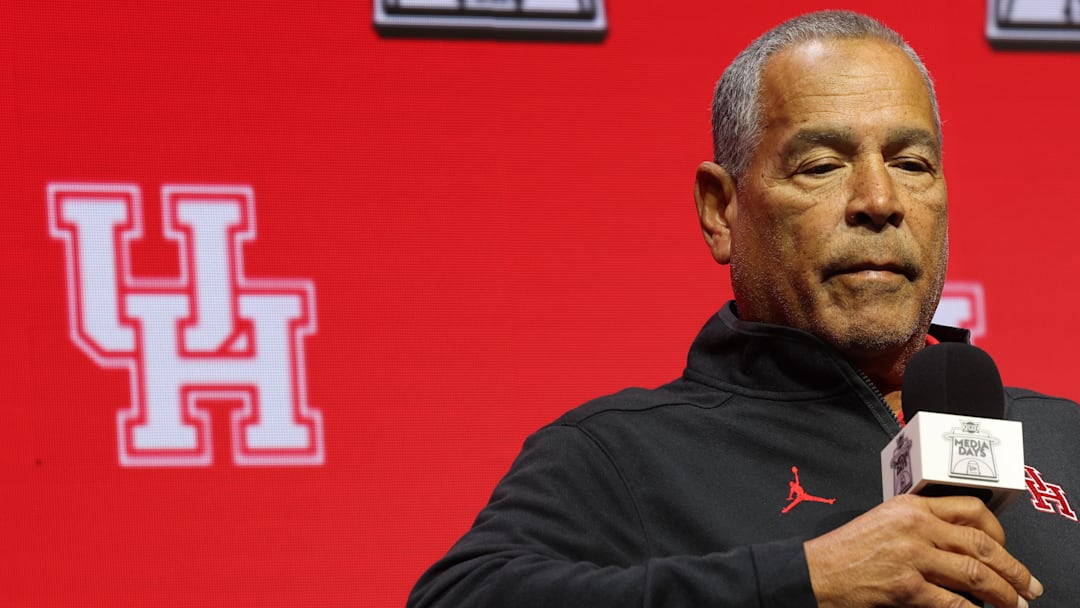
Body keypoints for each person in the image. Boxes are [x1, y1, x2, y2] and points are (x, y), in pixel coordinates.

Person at [408, 10, 1080, 607]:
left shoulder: (1065, 439)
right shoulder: (618, 455)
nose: (880, 200)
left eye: (911, 163)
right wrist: (807, 582)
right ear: (720, 210)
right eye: (821, 165)